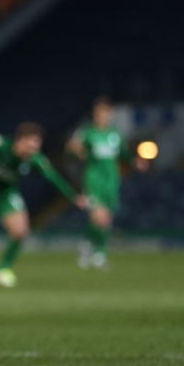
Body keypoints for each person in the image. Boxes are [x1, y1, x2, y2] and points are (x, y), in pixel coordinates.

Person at [0, 119, 87, 287]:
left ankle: (3, 269)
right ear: (20, 141)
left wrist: (74, 196)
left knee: (20, 231)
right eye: (31, 144)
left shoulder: (34, 159)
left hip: (7, 194)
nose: (34, 148)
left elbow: (53, 177)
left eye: (37, 145)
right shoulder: (1, 146)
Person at [66, 96, 148, 270]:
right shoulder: (87, 132)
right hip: (93, 180)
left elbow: (123, 154)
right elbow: (72, 146)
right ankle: (98, 253)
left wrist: (135, 162)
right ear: (95, 113)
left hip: (112, 181)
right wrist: (78, 151)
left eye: (107, 113)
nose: (104, 116)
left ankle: (90, 246)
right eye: (101, 112)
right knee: (99, 216)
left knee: (106, 220)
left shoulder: (114, 134)